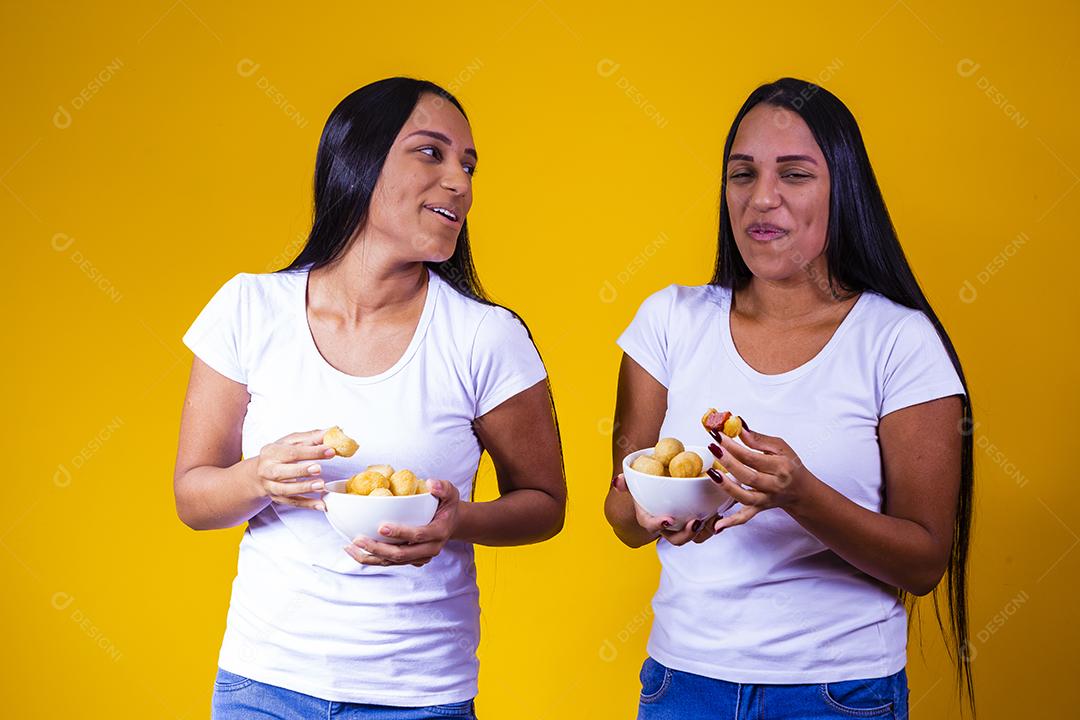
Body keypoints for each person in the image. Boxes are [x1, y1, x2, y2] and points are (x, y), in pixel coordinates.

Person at [174, 77, 566, 719]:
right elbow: (194, 498)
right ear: (360, 161)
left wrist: (455, 521)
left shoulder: (485, 336)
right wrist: (260, 476)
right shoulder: (248, 308)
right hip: (263, 688)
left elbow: (545, 505)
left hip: (419, 698)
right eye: (432, 153)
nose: (461, 182)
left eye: (468, 165)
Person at [605, 77, 974, 719]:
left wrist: (800, 495)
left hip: (839, 695)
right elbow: (620, 510)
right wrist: (656, 513)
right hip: (683, 686)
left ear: (843, 190)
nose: (761, 199)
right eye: (742, 174)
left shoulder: (897, 341)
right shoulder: (668, 320)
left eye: (795, 174)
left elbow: (923, 562)